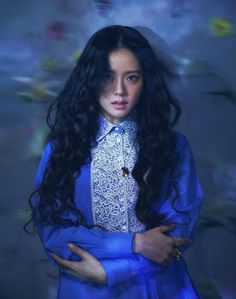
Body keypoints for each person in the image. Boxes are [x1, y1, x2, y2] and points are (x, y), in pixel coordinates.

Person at [30, 25, 203, 299]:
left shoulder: (174, 148)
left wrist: (113, 272)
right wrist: (135, 243)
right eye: (107, 77)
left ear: (146, 82)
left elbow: (176, 238)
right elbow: (54, 235)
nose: (119, 90)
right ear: (90, 79)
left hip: (160, 287)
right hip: (86, 290)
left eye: (132, 77)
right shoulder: (62, 149)